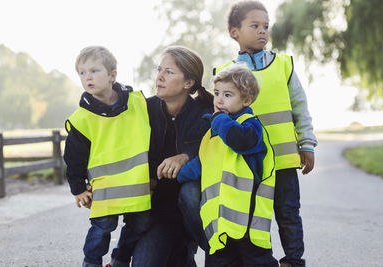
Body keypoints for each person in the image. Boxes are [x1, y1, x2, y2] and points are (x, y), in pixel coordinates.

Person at [213, 1, 318, 266]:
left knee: (288, 213)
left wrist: (306, 144)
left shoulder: (284, 65)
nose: (263, 31)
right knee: (254, 217)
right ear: (235, 32)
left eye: (266, 26)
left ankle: (294, 260)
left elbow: (300, 107)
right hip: (249, 164)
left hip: (283, 161)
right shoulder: (224, 74)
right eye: (255, 25)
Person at [108, 45, 214, 267]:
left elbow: (216, 154)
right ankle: (181, 252)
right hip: (157, 213)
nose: (160, 77)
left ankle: (218, 255)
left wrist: (186, 156)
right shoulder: (144, 111)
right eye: (159, 70)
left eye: (169, 72)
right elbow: (119, 148)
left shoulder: (204, 116)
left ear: (188, 83)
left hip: (192, 210)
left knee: (190, 192)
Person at [176, 63, 278, 266]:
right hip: (219, 221)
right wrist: (179, 175)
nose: (219, 100)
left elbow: (239, 140)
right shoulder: (212, 134)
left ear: (247, 100)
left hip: (246, 219)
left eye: (228, 95)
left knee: (257, 260)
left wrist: (218, 119)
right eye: (216, 93)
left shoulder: (250, 125)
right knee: (219, 261)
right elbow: (201, 163)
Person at [63, 46, 152, 267]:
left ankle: (120, 258)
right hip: (104, 189)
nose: (87, 77)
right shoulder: (81, 119)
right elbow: (74, 158)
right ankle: (91, 263)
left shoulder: (137, 103)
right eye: (82, 73)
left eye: (94, 70)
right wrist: (78, 188)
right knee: (101, 230)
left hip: (138, 186)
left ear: (113, 75)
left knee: (140, 225)